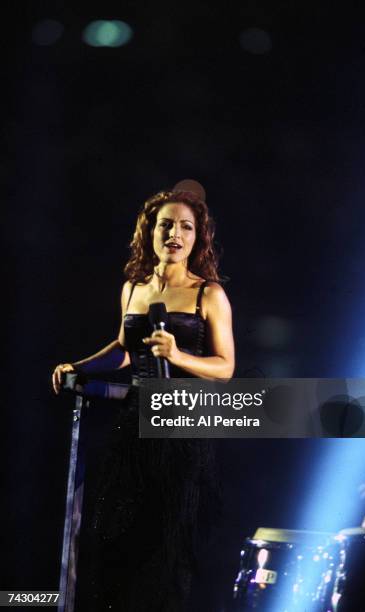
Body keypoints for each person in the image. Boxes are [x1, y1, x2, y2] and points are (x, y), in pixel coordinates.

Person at [52, 179, 235, 611]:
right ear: (149, 231)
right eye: (166, 225)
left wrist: (178, 355)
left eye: (186, 227)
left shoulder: (208, 293)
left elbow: (225, 369)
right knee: (116, 536)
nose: (175, 234)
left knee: (164, 547)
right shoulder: (134, 288)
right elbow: (122, 350)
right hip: (135, 423)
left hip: (182, 427)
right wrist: (78, 366)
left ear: (198, 237)